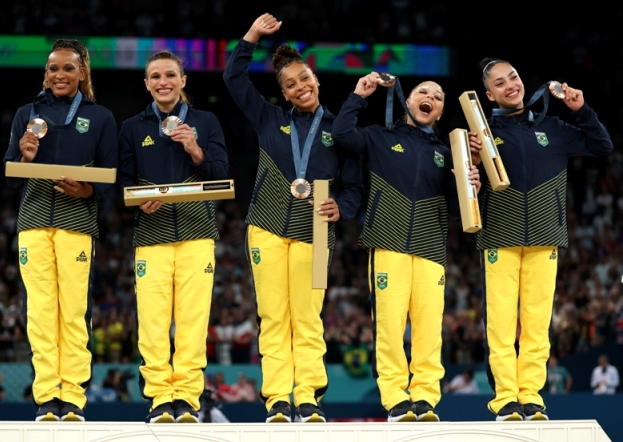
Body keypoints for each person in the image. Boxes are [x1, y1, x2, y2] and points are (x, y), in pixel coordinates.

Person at [223, 14, 362, 423]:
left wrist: (344, 207)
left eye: (305, 79)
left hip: (316, 228)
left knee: (307, 315)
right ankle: (278, 399)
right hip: (265, 226)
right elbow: (234, 79)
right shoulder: (270, 120)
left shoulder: (340, 129)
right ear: (283, 94)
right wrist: (250, 36)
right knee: (273, 316)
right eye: (290, 85)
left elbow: (354, 185)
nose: (300, 87)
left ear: (316, 81)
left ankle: (309, 396)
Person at [469, 58, 613, 421]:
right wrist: (470, 165)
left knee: (536, 325)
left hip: (545, 239)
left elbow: (602, 147)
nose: (510, 85)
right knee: (501, 325)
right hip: (499, 238)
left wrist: (580, 110)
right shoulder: (480, 134)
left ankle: (531, 396)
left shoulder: (554, 127)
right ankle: (505, 399)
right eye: (499, 83)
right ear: (489, 94)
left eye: (513, 77)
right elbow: (464, 189)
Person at [332, 72, 481, 422]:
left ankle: (426, 397)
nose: (431, 96)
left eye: (438, 96)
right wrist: (359, 94)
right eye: (423, 92)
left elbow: (465, 208)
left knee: (430, 329)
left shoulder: (447, 155)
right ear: (408, 102)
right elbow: (341, 134)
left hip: (431, 249)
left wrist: (472, 179)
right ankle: (396, 398)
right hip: (388, 243)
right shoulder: (379, 137)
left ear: (441, 112)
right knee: (390, 327)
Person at [3, 39, 118, 421]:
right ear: (45, 73)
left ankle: (73, 397)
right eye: (53, 68)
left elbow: (109, 175)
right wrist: (25, 157)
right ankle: (46, 398)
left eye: (68, 68)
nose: (60, 75)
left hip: (76, 222)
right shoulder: (26, 113)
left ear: (82, 72)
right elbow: (10, 177)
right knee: (39, 311)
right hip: (33, 221)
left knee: (72, 312)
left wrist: (87, 189)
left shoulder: (99, 117)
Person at [118, 50, 228, 423]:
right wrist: (137, 201)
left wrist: (194, 148)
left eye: (170, 75)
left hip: (197, 234)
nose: (163, 82)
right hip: (151, 235)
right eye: (155, 76)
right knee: (152, 323)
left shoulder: (206, 121)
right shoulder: (133, 127)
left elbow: (220, 175)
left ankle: (188, 399)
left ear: (183, 80)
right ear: (146, 84)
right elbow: (124, 182)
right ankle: (160, 398)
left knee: (193, 322)